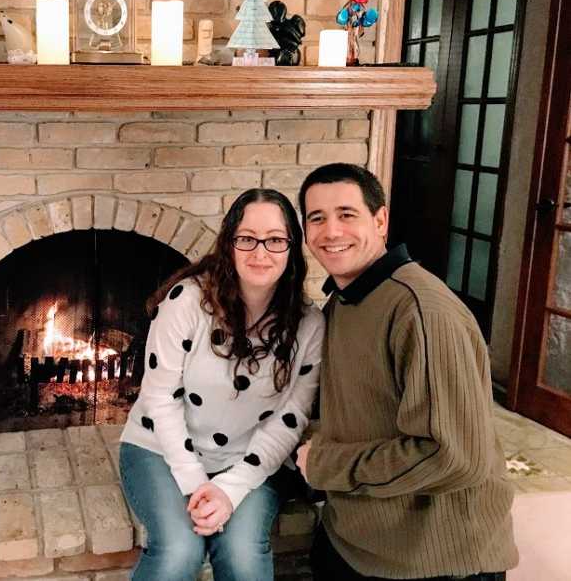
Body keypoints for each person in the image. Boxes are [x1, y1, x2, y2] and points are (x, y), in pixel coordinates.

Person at [296, 163, 517, 580]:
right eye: (317, 218)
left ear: (380, 221)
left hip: (430, 560)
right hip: (356, 537)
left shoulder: (420, 311)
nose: (331, 232)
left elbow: (452, 455)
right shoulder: (344, 301)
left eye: (347, 214)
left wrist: (323, 464)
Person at [119, 188, 324, 581]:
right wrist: (196, 483)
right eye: (246, 238)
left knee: (243, 555)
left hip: (249, 458)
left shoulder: (309, 325)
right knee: (179, 550)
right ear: (228, 242)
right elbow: (159, 398)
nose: (260, 252)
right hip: (158, 449)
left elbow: (290, 418)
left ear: (292, 248)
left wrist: (231, 489)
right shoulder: (188, 301)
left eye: (275, 240)